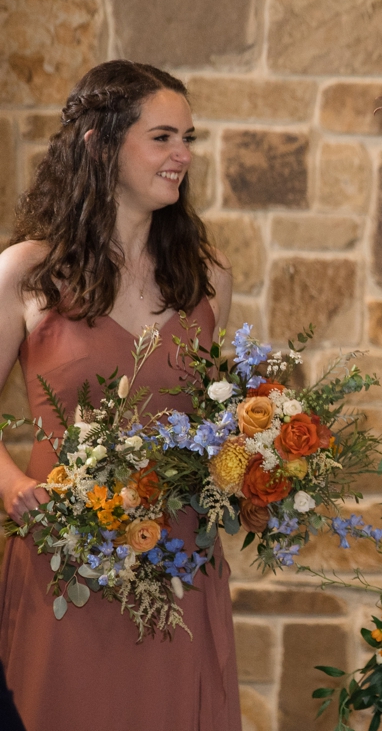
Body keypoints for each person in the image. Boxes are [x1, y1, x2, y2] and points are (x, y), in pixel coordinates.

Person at [0, 61, 240, 730]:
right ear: (99, 143)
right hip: (66, 561)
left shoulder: (209, 278)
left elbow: (221, 417)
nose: (182, 155)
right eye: (163, 137)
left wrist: (265, 465)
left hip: (177, 568)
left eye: (188, 137)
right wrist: (15, 487)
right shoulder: (26, 273)